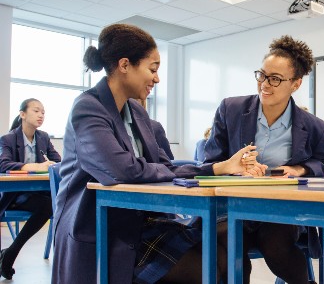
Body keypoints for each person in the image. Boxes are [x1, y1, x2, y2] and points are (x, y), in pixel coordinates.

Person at [51, 24, 258, 284]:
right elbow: (122, 170)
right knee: (208, 269)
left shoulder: (137, 112)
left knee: (232, 257)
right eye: (153, 68)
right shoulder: (88, 108)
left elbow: (164, 166)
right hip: (103, 227)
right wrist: (156, 170)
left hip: (142, 222)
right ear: (125, 65)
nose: (157, 79)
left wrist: (219, 167)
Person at [205, 35, 324, 284]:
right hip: (233, 206)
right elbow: (210, 159)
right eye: (261, 75)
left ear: (295, 84)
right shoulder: (230, 109)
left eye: (275, 79)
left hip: (279, 209)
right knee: (226, 239)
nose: (265, 84)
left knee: (276, 244)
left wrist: (299, 169)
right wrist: (235, 169)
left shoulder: (313, 126)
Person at [0, 98, 60, 280]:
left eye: (43, 112)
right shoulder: (8, 139)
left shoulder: (43, 137)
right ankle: (10, 255)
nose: (41, 115)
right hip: (15, 196)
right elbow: (3, 164)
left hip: (38, 194)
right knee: (49, 205)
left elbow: (58, 161)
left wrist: (51, 165)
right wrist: (36, 166)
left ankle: (10, 252)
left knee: (53, 203)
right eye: (36, 111)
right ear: (22, 114)